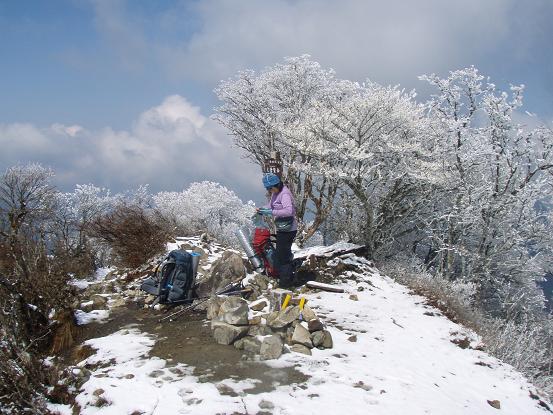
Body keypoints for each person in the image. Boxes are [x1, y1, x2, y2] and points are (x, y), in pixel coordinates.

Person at [257, 173, 297, 288]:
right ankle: (286, 275)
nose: (269, 191)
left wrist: (271, 212)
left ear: (277, 184)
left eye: (270, 188)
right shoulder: (276, 192)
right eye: (268, 189)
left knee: (282, 256)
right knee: (281, 254)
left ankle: (286, 283)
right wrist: (263, 209)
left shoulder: (284, 194)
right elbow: (271, 205)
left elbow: (289, 211)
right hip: (282, 228)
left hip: (288, 229)